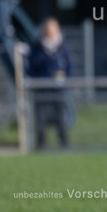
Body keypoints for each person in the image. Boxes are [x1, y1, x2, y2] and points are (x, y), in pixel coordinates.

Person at [28, 17, 73, 149]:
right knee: (40, 119)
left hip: (58, 89)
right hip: (41, 88)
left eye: (52, 29)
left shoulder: (63, 47)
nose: (49, 32)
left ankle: (64, 144)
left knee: (60, 118)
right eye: (47, 29)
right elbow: (31, 67)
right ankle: (41, 144)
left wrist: (66, 81)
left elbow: (69, 67)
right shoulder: (37, 47)